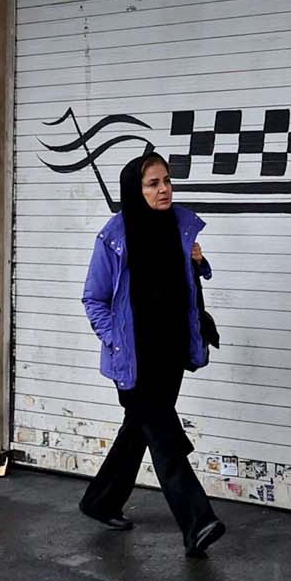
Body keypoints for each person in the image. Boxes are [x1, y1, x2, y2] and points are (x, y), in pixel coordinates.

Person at [78, 152, 226, 557]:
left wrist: (199, 262)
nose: (164, 190)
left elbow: (181, 283)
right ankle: (197, 523)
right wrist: (117, 339)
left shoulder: (180, 225)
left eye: (166, 181)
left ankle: (101, 500)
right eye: (153, 184)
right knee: (164, 438)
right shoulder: (115, 236)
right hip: (134, 358)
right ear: (134, 189)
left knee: (137, 431)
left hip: (171, 350)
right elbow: (94, 299)